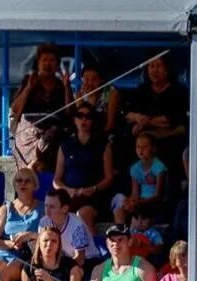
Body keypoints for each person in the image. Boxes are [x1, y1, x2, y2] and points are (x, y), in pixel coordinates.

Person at [12, 42, 72, 171]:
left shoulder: (61, 86)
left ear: (57, 65)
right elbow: (15, 109)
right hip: (29, 133)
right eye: (44, 60)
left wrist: (67, 87)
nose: (47, 64)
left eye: (52, 60)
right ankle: (30, 168)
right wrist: (28, 88)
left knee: (55, 136)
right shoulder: (29, 80)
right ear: (38, 63)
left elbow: (69, 112)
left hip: (52, 135)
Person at [54, 103, 115, 230]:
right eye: (80, 116)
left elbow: (109, 178)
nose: (84, 120)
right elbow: (56, 179)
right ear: (74, 119)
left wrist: (93, 188)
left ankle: (92, 249)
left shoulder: (103, 145)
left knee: (83, 214)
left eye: (88, 117)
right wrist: (67, 190)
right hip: (70, 196)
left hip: (94, 198)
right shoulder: (65, 146)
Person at [112, 132, 167, 225]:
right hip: (140, 201)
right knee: (119, 198)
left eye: (145, 147)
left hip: (152, 202)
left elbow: (158, 195)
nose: (141, 150)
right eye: (138, 147)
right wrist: (130, 201)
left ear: (153, 148)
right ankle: (120, 227)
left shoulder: (159, 167)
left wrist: (140, 201)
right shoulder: (134, 168)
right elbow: (135, 193)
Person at [38, 189, 96, 268]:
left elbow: (80, 259)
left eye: (52, 207)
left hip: (87, 262)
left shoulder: (77, 226)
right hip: (63, 260)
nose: (47, 210)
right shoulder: (44, 222)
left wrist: (58, 270)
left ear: (65, 208)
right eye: (46, 205)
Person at [72, 63, 121, 135]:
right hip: (85, 133)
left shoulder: (112, 93)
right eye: (86, 79)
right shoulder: (80, 94)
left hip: (104, 132)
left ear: (102, 80)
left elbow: (110, 125)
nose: (90, 83)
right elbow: (79, 120)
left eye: (94, 80)